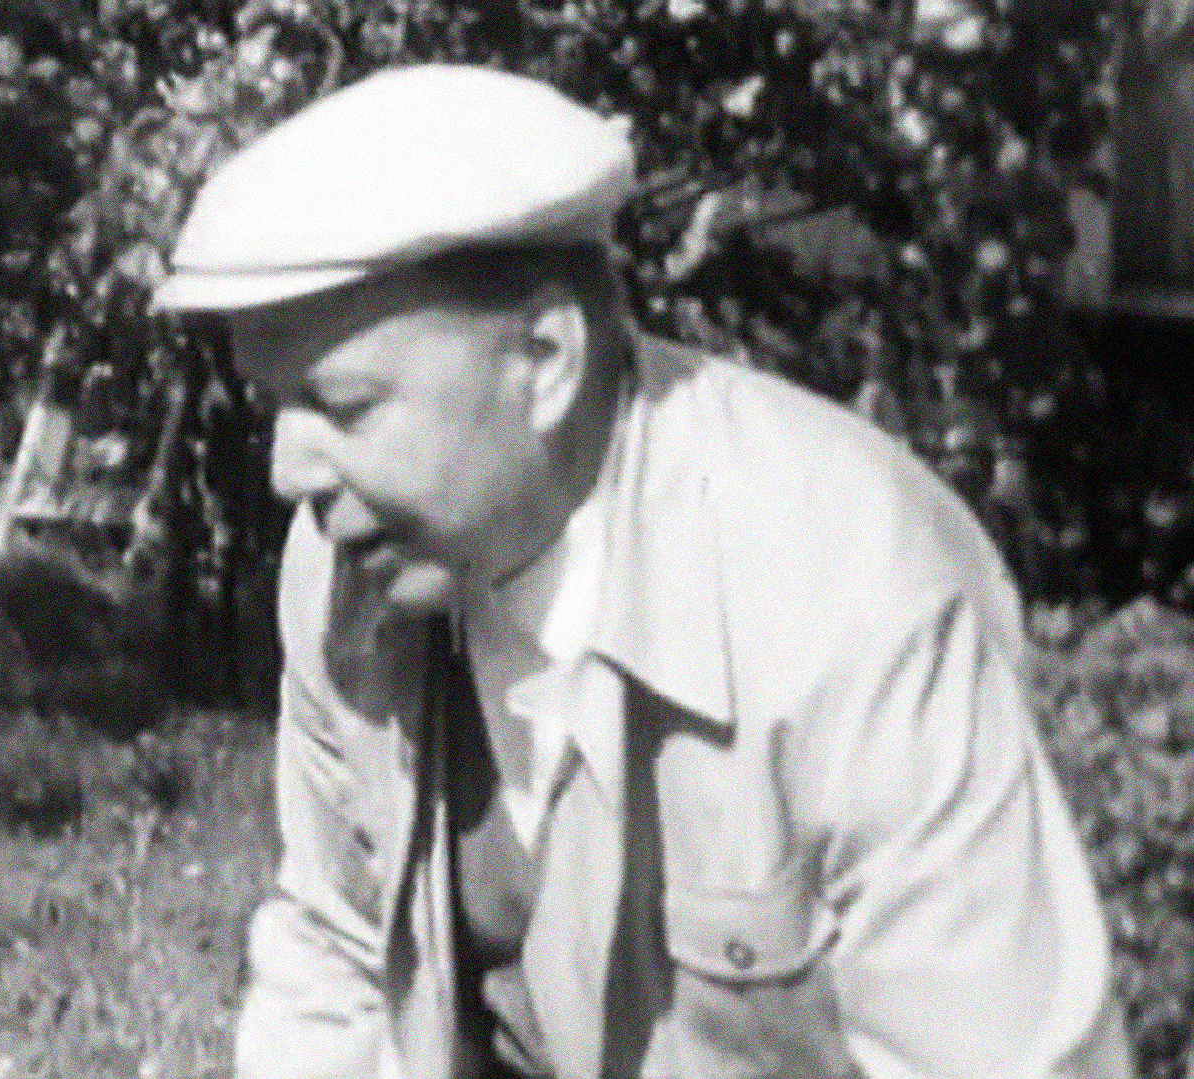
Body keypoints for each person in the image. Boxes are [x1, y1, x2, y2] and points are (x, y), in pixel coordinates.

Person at [150, 64, 1133, 1079]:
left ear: (546, 359)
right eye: (275, 406)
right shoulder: (350, 564)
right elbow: (338, 954)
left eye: (342, 405)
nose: (287, 471)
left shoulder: (851, 593)